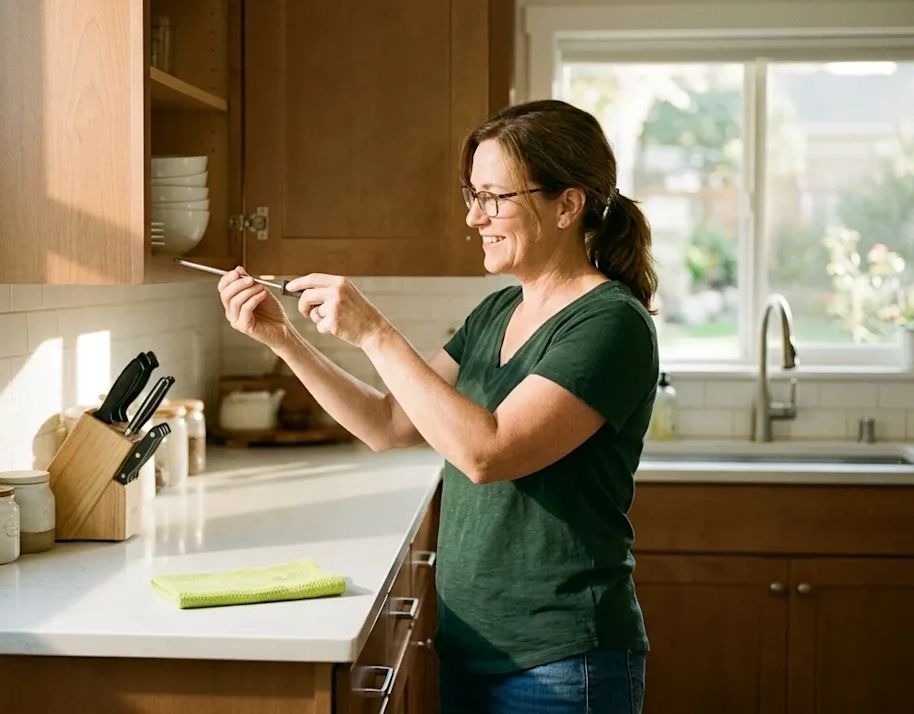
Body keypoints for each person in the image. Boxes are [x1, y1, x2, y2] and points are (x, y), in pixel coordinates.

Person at [216, 98, 658, 714]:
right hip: (470, 647)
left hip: (562, 660)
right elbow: (388, 423)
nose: (475, 217)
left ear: (567, 204)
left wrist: (374, 332)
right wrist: (283, 340)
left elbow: (487, 452)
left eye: (495, 197)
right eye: (472, 195)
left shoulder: (610, 323)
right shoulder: (497, 312)